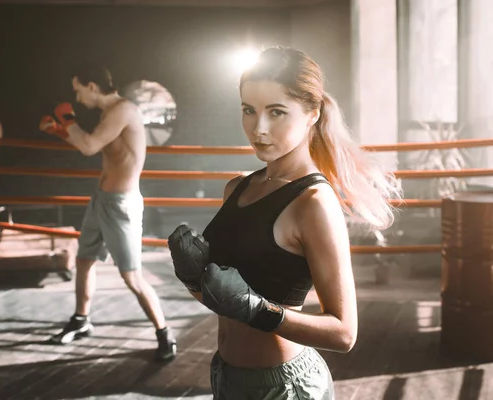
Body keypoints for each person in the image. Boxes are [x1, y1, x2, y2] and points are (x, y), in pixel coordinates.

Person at [168, 47, 399, 398]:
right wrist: (192, 278)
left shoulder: (313, 203)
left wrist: (257, 309)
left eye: (277, 112)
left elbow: (344, 334)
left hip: (285, 387)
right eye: (249, 110)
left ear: (312, 114)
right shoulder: (238, 186)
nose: (258, 128)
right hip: (226, 376)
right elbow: (227, 303)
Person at [40, 64, 177, 362]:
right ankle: (81, 320)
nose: (77, 98)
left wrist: (66, 120)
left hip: (121, 206)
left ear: (92, 86)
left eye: (78, 90)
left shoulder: (124, 111)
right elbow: (100, 148)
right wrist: (60, 132)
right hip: (101, 200)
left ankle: (165, 333)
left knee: (132, 277)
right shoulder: (109, 114)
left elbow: (88, 146)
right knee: (84, 260)